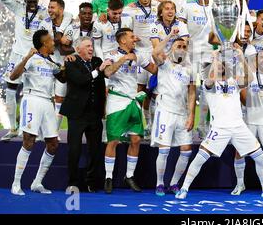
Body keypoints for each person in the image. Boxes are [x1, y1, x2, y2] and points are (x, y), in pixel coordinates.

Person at [175, 48, 263, 199]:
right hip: (219, 128)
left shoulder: (233, 81)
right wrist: (215, 57)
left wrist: (242, 56)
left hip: (238, 126)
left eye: (222, 65)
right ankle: (184, 189)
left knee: (260, 156)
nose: (220, 67)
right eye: (217, 66)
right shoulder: (208, 84)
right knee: (200, 158)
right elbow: (212, 78)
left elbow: (250, 79)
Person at [9, 29, 65, 195]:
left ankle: (37, 182)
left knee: (53, 143)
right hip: (32, 99)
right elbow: (13, 76)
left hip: (48, 102)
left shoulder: (51, 61)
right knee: (29, 140)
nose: (53, 42)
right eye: (51, 41)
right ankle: (16, 184)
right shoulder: (31, 58)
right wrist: (26, 57)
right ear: (44, 44)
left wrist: (67, 65)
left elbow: (62, 78)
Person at [102, 28, 157, 194]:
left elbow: (155, 70)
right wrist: (124, 59)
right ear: (122, 40)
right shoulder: (111, 54)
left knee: (135, 140)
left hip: (133, 101)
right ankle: (109, 177)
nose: (135, 39)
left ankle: (129, 176)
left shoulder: (137, 55)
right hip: (117, 101)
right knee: (113, 141)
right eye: (132, 37)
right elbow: (108, 72)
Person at [0, 0, 49, 141]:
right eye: (29, 1)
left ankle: (37, 130)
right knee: (10, 89)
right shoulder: (18, 8)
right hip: (17, 55)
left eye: (34, 0)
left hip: (35, 57)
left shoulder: (44, 13)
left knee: (37, 93)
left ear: (38, 0)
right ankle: (13, 128)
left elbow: (57, 19)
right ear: (25, 1)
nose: (32, 3)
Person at [231, 49, 263, 196]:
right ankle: (240, 184)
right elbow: (238, 93)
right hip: (249, 121)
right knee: (239, 152)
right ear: (256, 60)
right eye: (261, 57)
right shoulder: (250, 76)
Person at [60, 37, 109, 192]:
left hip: (94, 114)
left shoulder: (97, 61)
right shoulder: (71, 62)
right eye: (87, 46)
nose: (91, 49)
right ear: (78, 49)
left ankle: (92, 182)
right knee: (74, 149)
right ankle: (73, 182)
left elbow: (101, 86)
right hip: (76, 113)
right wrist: (98, 71)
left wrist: (103, 109)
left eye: (91, 46)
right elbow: (80, 80)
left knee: (95, 150)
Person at [151, 29, 196, 196]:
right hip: (165, 111)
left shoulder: (190, 68)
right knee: (164, 150)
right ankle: (160, 183)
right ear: (172, 47)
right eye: (179, 45)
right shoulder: (164, 62)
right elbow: (155, 51)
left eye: (185, 46)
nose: (182, 49)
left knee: (186, 149)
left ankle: (175, 183)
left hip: (182, 113)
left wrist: (191, 114)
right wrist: (170, 37)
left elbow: (192, 92)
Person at [178, 0, 214, 140]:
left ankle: (202, 125)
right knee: (190, 87)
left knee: (208, 88)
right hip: (191, 54)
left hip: (208, 53)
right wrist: (184, 41)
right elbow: (180, 24)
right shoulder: (188, 7)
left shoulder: (214, 9)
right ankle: (187, 121)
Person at [123, 0, 158, 137]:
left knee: (154, 92)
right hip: (139, 53)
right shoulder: (129, 10)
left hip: (155, 53)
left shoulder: (158, 6)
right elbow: (125, 31)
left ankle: (152, 126)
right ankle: (136, 126)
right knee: (139, 91)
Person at [38, 0, 74, 135]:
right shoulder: (44, 23)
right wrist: (58, 38)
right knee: (45, 96)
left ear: (61, 9)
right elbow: (40, 42)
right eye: (49, 7)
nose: (49, 10)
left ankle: (54, 131)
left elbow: (67, 45)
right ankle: (41, 130)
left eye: (53, 7)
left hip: (62, 66)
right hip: (46, 64)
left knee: (59, 98)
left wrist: (54, 40)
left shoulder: (70, 23)